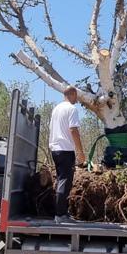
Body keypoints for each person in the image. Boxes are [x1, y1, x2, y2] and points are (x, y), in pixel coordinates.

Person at [48, 85, 86, 223]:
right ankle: (60, 215)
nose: (77, 99)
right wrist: (80, 152)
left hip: (55, 149)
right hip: (65, 150)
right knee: (65, 181)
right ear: (73, 94)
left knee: (61, 180)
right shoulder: (72, 109)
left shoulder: (56, 109)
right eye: (77, 96)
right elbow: (73, 130)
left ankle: (62, 212)